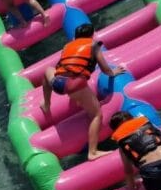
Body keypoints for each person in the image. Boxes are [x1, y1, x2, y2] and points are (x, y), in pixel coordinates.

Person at [40, 22, 126, 159]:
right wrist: (113, 73)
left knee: (47, 71)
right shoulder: (94, 45)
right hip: (73, 85)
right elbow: (104, 68)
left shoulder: (67, 46)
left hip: (57, 83)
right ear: (91, 35)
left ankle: (46, 104)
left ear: (76, 37)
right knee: (97, 114)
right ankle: (92, 152)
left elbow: (63, 66)